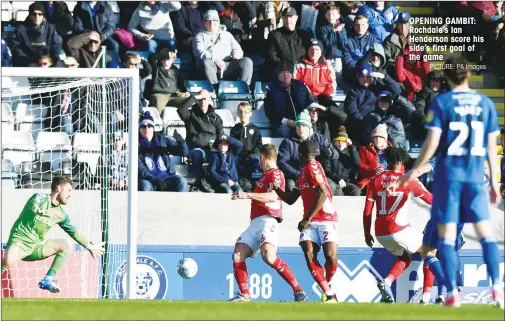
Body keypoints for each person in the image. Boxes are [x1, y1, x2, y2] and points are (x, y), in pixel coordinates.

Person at [391, 56, 504, 309]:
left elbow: (432, 143)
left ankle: (451, 293)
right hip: (475, 180)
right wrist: (495, 184)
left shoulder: (443, 102)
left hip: (449, 181)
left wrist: (415, 169)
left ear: (447, 78)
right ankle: (497, 288)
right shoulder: (485, 103)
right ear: (468, 74)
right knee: (485, 235)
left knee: (447, 237)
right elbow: (491, 146)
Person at [229, 144, 308, 302]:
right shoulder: (265, 176)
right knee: (238, 254)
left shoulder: (276, 174)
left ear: (262, 157)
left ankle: (298, 290)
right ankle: (245, 295)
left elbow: (273, 197)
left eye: (259, 158)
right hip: (256, 222)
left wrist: (247, 195)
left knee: (269, 257)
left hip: (268, 221)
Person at [0, 176, 105, 293]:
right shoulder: (40, 198)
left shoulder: (61, 214)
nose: (70, 195)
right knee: (8, 261)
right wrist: (37, 209)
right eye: (69, 190)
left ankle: (47, 280)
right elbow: (33, 204)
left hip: (35, 248)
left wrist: (89, 246)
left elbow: (73, 231)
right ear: (59, 188)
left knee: (67, 244)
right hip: (19, 242)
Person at [363, 147, 434, 304]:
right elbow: (431, 200)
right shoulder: (408, 180)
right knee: (430, 250)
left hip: (380, 233)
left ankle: (386, 282)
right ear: (402, 161)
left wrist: (367, 233)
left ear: (387, 160)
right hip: (398, 229)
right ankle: (426, 296)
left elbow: (367, 210)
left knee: (405, 257)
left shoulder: (376, 180)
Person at [273, 140, 339, 303]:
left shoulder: (313, 166)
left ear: (300, 154)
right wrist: (277, 190)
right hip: (310, 221)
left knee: (330, 256)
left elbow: (322, 194)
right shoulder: (303, 173)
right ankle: (329, 294)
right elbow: (291, 199)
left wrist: (307, 218)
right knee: (309, 253)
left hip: (325, 217)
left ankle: (328, 284)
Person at [193, 9, 253, 86]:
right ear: (204, 23)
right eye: (208, 21)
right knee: (206, 62)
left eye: (214, 21)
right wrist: (215, 59)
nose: (211, 24)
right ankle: (214, 88)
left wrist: (236, 55)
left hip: (228, 64)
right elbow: (199, 51)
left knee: (247, 61)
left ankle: (244, 88)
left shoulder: (227, 35)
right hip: (212, 66)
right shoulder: (199, 36)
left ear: (218, 22)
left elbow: (238, 49)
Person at [138, 112, 189, 192]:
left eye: (149, 126)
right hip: (149, 180)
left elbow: (184, 153)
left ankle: (179, 204)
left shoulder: (162, 140)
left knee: (181, 181)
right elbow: (141, 169)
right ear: (140, 129)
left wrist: (181, 142)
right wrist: (155, 180)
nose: (146, 129)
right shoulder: (136, 145)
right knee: (145, 186)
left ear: (153, 128)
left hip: (166, 177)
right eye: (143, 127)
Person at [264, 63, 316, 138]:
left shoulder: (300, 86)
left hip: (302, 121)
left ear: (292, 75)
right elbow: (269, 112)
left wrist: (311, 113)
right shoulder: (271, 90)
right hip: (282, 124)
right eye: (282, 72)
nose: (286, 75)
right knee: (284, 131)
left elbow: (311, 102)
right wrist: (285, 121)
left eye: (288, 72)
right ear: (278, 76)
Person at [265, 7, 311, 79]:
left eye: (291, 17)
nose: (288, 20)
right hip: (282, 72)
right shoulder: (274, 35)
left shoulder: (303, 35)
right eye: (285, 17)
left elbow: (310, 53)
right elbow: (272, 56)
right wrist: (286, 67)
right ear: (282, 19)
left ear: (296, 18)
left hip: (302, 70)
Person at [11, 2, 63, 67]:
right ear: (30, 16)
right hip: (27, 63)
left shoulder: (51, 28)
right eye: (34, 14)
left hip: (47, 63)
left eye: (40, 14)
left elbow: (56, 47)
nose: (37, 17)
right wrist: (28, 62)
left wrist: (49, 61)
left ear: (43, 16)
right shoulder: (21, 29)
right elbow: (15, 47)